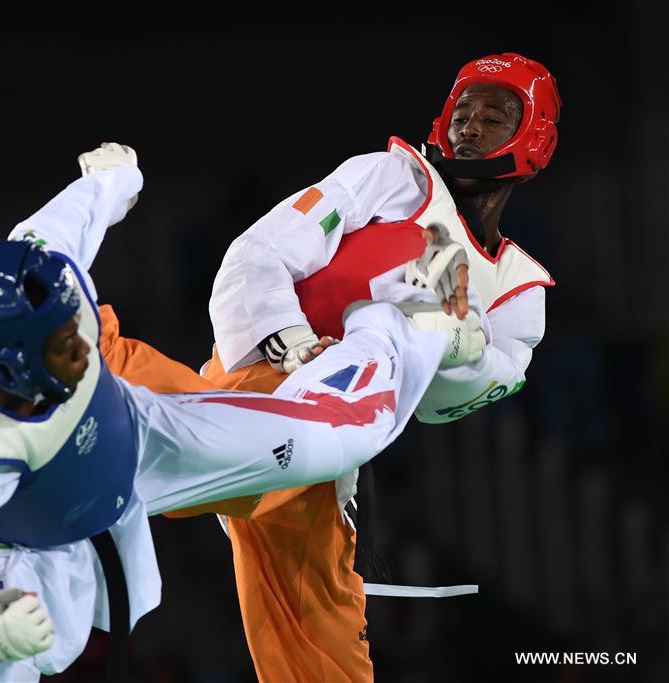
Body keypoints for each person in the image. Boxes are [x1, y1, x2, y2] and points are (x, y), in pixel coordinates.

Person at [0, 142, 471, 681]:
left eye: (73, 329)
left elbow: (76, 214)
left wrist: (117, 178)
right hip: (30, 520)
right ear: (11, 367)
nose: (78, 344)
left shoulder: (41, 268)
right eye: (63, 347)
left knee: (338, 438)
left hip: (138, 430)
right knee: (15, 651)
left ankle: (415, 314)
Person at [197, 52, 561, 681]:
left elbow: (446, 403)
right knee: (153, 447)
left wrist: (460, 344)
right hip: (258, 382)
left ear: (534, 140)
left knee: (319, 648)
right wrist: (290, 343)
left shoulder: (516, 289)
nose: (468, 127)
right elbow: (257, 252)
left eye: (496, 117)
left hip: (338, 439)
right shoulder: (391, 178)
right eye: (461, 112)